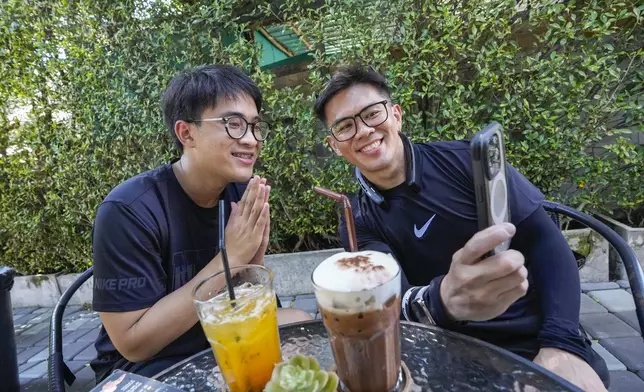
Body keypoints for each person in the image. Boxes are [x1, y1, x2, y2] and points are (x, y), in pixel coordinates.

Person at [313, 64, 609, 391]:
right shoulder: (357, 218)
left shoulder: (466, 161)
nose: (364, 130)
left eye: (372, 113)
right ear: (335, 145)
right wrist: (444, 299)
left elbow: (545, 241)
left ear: (396, 115)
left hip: (534, 336)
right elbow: (394, 305)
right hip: (445, 350)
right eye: (345, 126)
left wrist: (562, 343)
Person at [90, 64, 312, 383]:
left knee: (302, 325)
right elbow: (133, 345)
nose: (251, 139)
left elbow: (248, 301)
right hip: (147, 365)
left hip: (221, 335)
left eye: (255, 126)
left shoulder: (238, 194)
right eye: (234, 124)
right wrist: (231, 259)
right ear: (186, 133)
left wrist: (252, 263)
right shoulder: (128, 210)